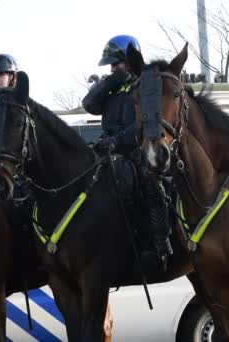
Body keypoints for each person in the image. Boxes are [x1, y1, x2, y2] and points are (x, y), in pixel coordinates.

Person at [82, 35, 172, 272]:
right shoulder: (111, 86)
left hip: (135, 148)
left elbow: (143, 123)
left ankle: (160, 245)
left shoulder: (144, 85)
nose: (112, 68)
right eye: (110, 65)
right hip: (108, 149)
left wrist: (117, 141)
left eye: (116, 63)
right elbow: (89, 104)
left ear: (129, 61)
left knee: (152, 185)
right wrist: (111, 81)